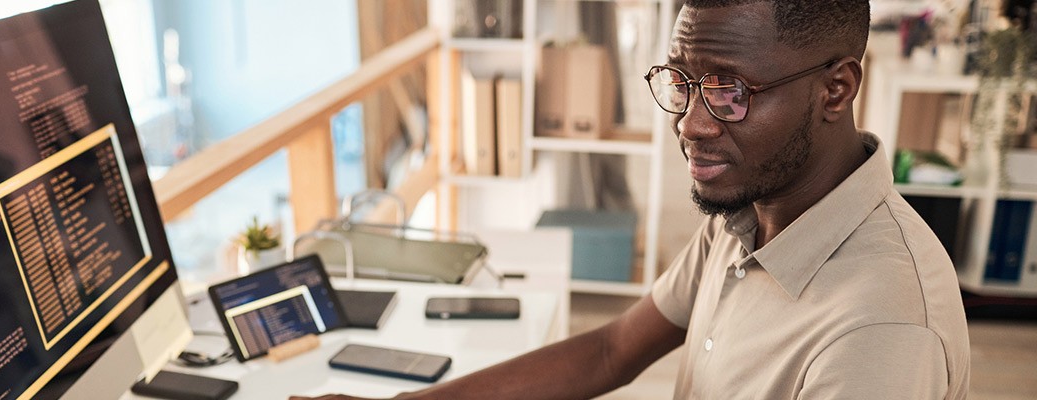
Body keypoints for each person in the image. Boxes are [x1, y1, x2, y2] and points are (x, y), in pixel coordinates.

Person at [293, 0, 970, 398]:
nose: (691, 124)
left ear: (836, 90)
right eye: (682, 82)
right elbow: (613, 350)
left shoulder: (881, 329)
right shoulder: (750, 210)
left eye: (730, 90)